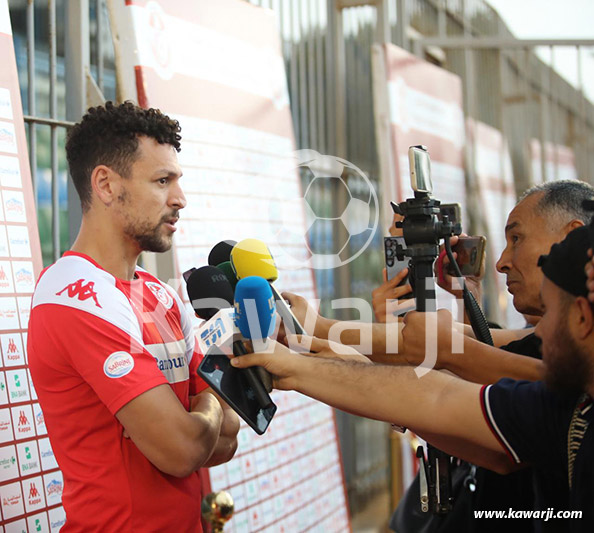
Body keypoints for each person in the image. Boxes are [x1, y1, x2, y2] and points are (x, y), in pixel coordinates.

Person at [233, 224, 594, 532]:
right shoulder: (569, 404)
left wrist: (309, 363)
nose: (538, 332)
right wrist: (321, 351)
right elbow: (439, 398)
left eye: (549, 318)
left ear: (581, 317)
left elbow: (447, 372)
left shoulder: (566, 397)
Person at [28, 102, 239, 532]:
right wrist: (208, 406)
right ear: (105, 185)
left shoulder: (160, 294)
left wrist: (204, 415)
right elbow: (182, 450)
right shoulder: (73, 297)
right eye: (163, 181)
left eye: (177, 181)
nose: (180, 199)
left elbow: (230, 436)